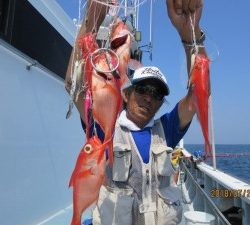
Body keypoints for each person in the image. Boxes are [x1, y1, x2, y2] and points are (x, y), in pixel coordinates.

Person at [65, 0, 207, 224]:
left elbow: (199, 95)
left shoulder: (166, 130)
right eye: (142, 89)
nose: (149, 97)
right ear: (125, 94)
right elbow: (72, 87)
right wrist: (90, 22)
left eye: (157, 94)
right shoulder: (103, 131)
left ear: (161, 103)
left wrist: (190, 34)